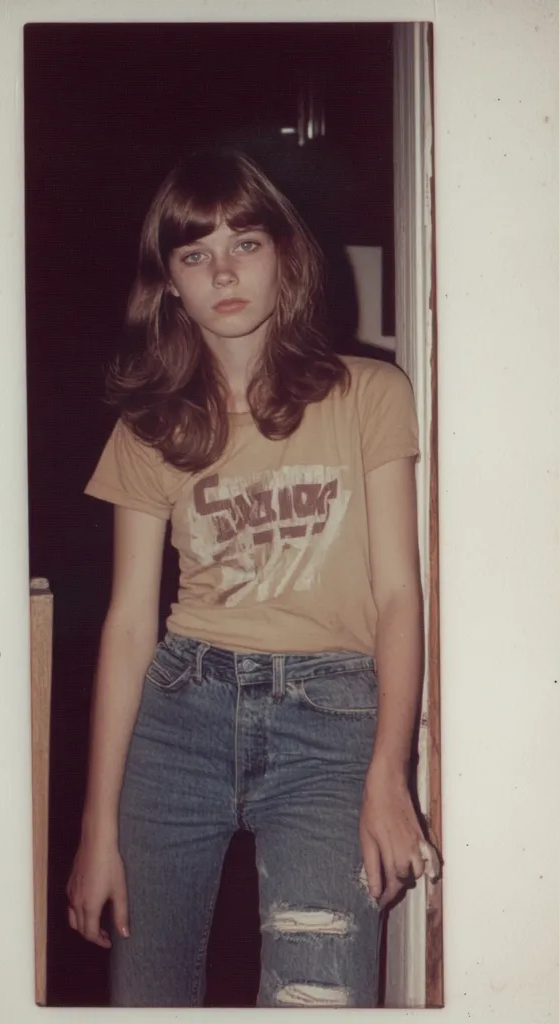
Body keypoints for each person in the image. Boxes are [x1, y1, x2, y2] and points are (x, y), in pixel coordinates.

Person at [66, 147, 435, 1009]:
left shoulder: (370, 393)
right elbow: (127, 627)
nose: (223, 271)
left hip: (330, 724)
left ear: (286, 257)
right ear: (169, 283)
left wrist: (390, 772)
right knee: (146, 997)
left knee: (319, 997)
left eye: (246, 243)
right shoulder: (150, 428)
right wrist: (96, 828)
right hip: (180, 718)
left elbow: (396, 595)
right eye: (195, 255)